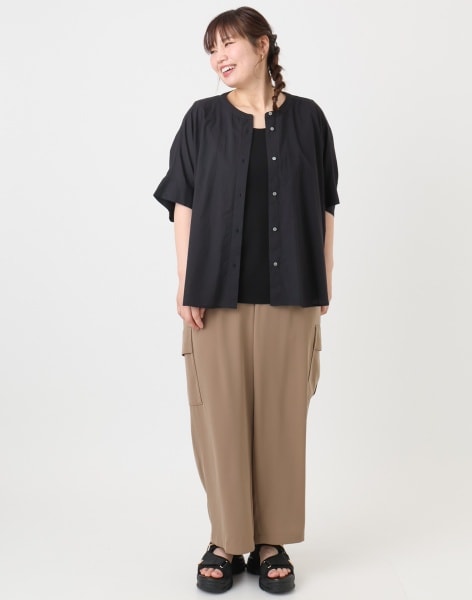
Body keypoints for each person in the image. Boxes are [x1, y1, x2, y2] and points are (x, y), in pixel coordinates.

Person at [153, 6, 339, 594]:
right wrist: (186, 281)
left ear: (262, 46)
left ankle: (270, 541)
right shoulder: (202, 119)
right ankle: (225, 539)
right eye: (211, 49)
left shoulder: (309, 119)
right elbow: (183, 203)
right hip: (216, 294)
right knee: (221, 420)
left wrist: (325, 277)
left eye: (228, 44)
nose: (219, 57)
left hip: (293, 293)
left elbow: (325, 204)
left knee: (281, 419)